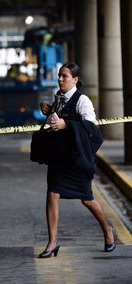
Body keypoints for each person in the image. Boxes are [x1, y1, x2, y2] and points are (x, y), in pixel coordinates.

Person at [37, 62, 115, 258]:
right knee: (52, 194)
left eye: (65, 76)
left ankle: (107, 230)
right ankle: (52, 242)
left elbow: (92, 129)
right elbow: (55, 123)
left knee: (87, 199)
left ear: (75, 79)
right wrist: (49, 113)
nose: (60, 79)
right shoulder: (59, 98)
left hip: (77, 158)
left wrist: (67, 125)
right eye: (59, 76)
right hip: (59, 157)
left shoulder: (83, 101)